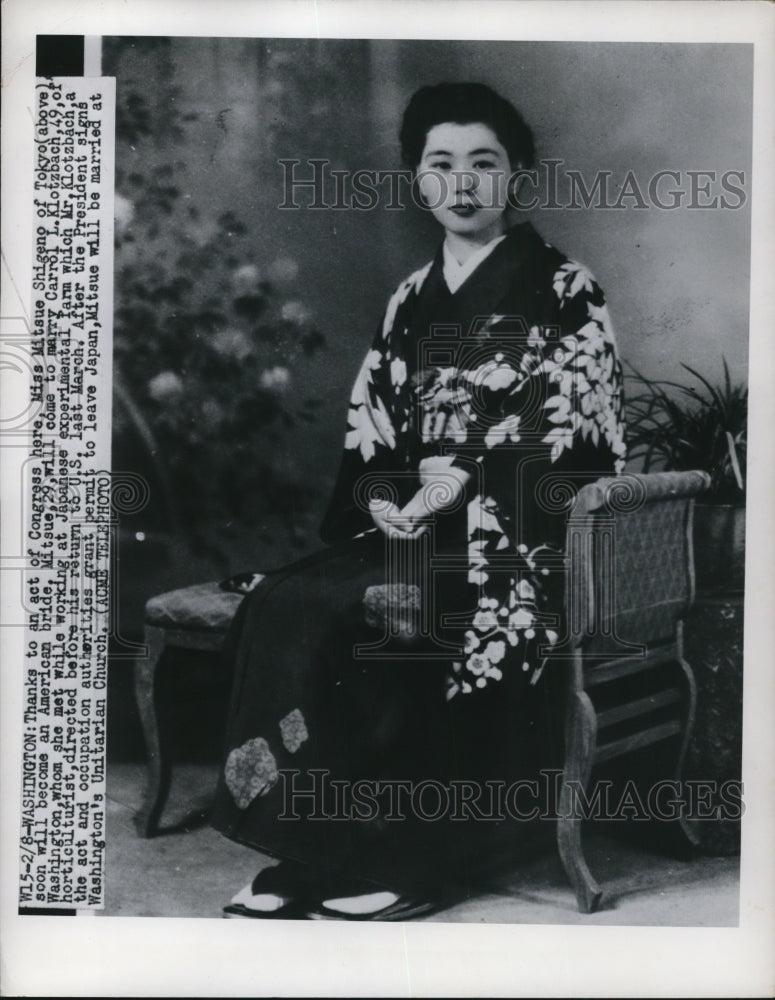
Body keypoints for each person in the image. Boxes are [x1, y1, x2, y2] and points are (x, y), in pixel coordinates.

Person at [211, 82, 627, 920]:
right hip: (414, 528)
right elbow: (373, 425)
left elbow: (578, 432)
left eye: (484, 162)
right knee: (291, 601)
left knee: (389, 615)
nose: (462, 182)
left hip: (512, 541)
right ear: (417, 177)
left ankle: (412, 860)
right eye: (441, 163)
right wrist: (384, 502)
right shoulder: (410, 296)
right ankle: (309, 850)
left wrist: (460, 486)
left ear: (517, 175)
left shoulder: (564, 288)